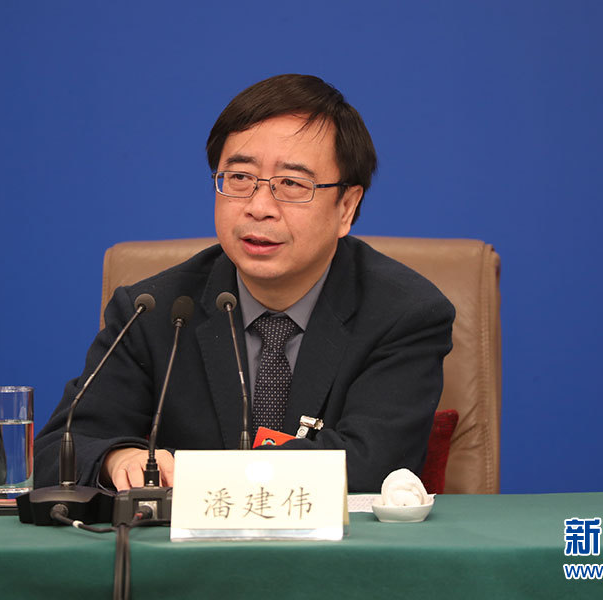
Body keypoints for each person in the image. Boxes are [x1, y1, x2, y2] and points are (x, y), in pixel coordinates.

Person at [34, 74, 455, 493]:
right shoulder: (154, 310)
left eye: (292, 184)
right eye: (239, 178)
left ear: (346, 206)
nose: (259, 206)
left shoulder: (403, 314)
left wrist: (200, 475)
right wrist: (117, 458)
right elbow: (59, 449)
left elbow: (373, 465)